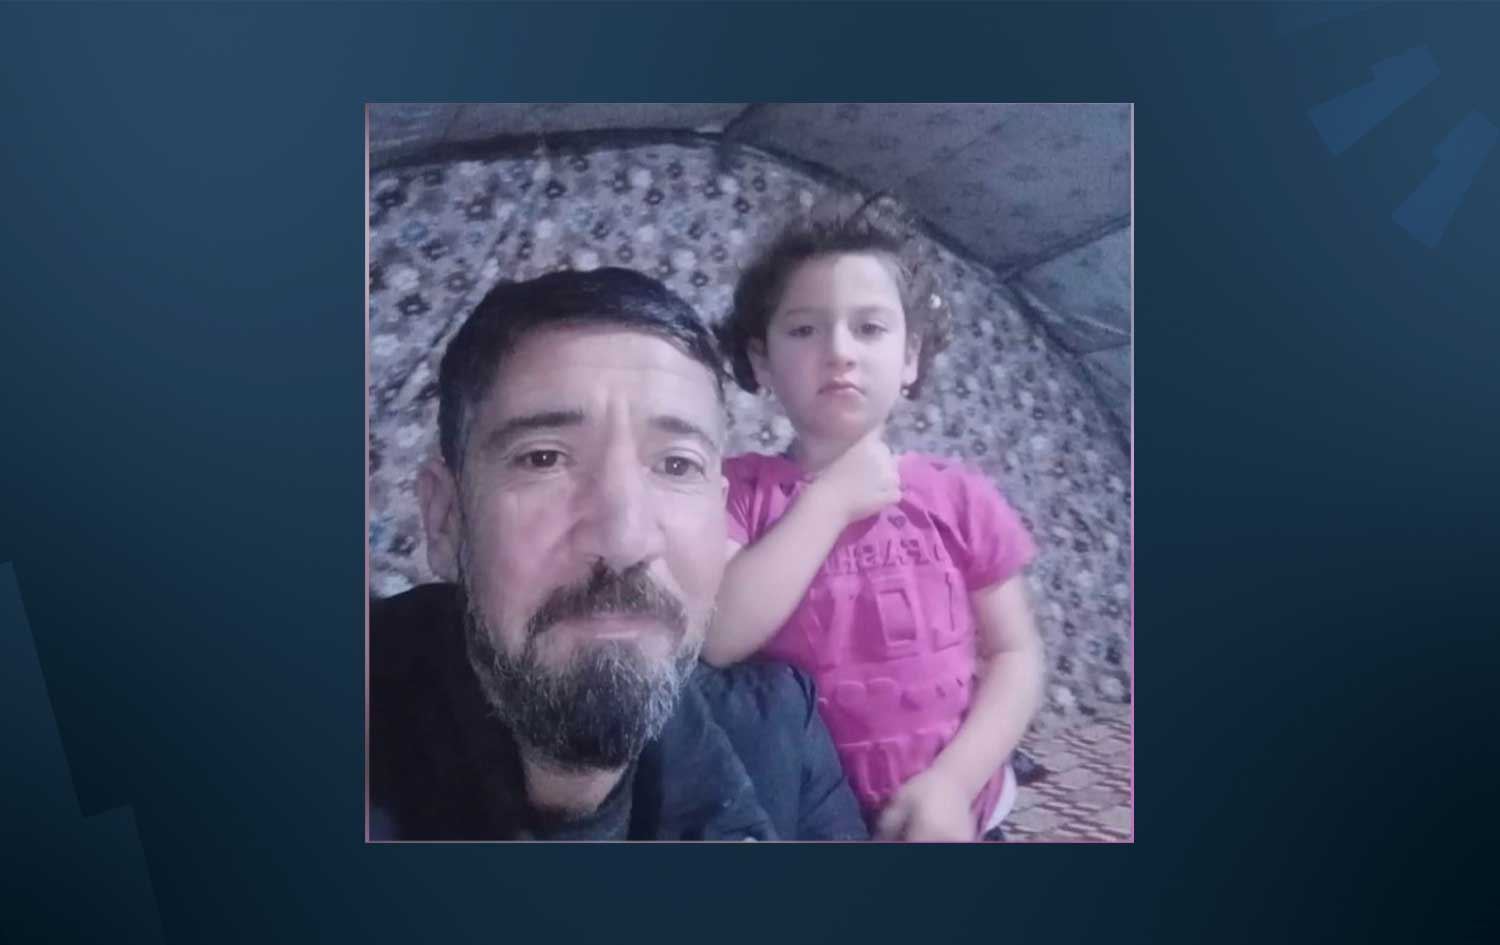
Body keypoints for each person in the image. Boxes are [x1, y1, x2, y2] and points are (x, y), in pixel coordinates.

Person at [369, 267, 867, 841]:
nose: (625, 541)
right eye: (543, 458)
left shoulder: (786, 735)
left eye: (677, 465)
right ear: (445, 518)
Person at [708, 217, 1046, 842]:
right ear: (762, 360)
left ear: (910, 357)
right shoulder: (740, 493)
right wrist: (829, 501)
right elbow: (717, 637)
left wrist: (953, 783)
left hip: (958, 810)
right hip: (802, 823)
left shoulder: (959, 495)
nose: (839, 350)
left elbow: (1015, 655)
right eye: (804, 329)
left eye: (869, 328)